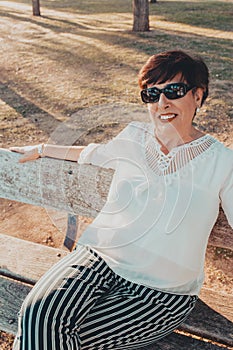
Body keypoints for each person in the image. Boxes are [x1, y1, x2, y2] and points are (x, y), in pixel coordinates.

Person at [11, 50, 233, 350]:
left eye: (174, 91)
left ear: (197, 95)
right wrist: (41, 148)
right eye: (151, 94)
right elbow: (90, 153)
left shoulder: (222, 161)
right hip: (97, 259)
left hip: (161, 291)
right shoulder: (133, 137)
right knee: (38, 315)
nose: (162, 103)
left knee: (59, 339)